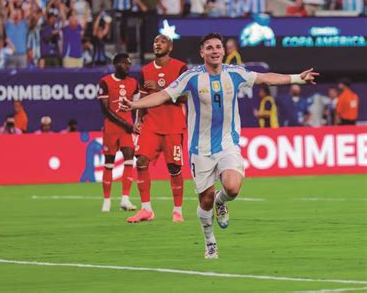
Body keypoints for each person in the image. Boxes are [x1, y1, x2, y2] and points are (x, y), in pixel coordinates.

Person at [119, 33, 318, 258]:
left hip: (227, 144)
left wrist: (297, 78)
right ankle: (210, 241)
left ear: (223, 51)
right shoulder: (191, 77)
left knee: (232, 187)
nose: (214, 51)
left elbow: (265, 78)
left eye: (218, 47)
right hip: (200, 149)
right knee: (204, 201)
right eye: (209, 48)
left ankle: (220, 201)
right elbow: (162, 96)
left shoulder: (235, 73)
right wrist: (134, 104)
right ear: (202, 53)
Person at [126, 34, 188, 224]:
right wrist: (138, 119)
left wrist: (161, 90)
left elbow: (185, 97)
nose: (157, 44)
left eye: (162, 41)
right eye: (155, 41)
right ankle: (146, 209)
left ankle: (177, 211)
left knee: (174, 168)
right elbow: (143, 99)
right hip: (151, 124)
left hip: (173, 125)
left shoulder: (180, 68)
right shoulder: (145, 71)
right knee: (141, 161)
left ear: (170, 47)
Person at [97, 53, 138, 212]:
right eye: (124, 63)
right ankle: (106, 201)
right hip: (112, 129)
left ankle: (125, 199)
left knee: (129, 159)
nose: (128, 66)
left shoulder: (133, 83)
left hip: (127, 128)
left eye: (129, 63)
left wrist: (134, 123)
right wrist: (124, 123)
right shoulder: (105, 82)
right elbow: (105, 110)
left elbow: (136, 106)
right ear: (116, 64)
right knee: (109, 162)